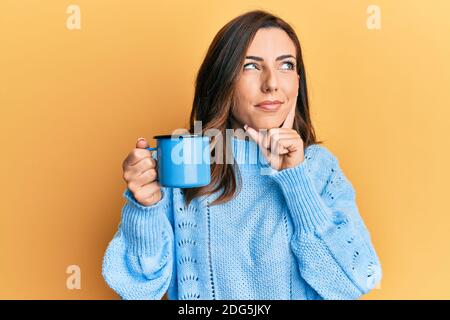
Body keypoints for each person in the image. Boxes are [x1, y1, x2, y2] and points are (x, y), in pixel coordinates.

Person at [102, 10, 382, 300]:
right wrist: (144, 207)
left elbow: (353, 282)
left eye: (286, 65)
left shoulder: (319, 167)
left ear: (298, 81)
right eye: (250, 66)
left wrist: (296, 180)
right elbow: (137, 288)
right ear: (223, 79)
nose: (271, 83)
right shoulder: (182, 161)